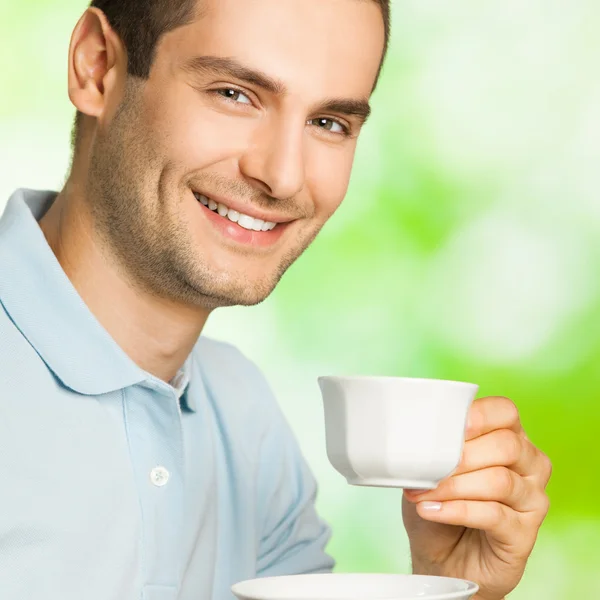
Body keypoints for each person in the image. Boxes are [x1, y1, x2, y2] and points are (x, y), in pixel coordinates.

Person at [0, 0, 552, 598]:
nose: (283, 175)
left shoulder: (245, 418)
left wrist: (452, 589)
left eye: (329, 123)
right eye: (235, 94)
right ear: (97, 65)